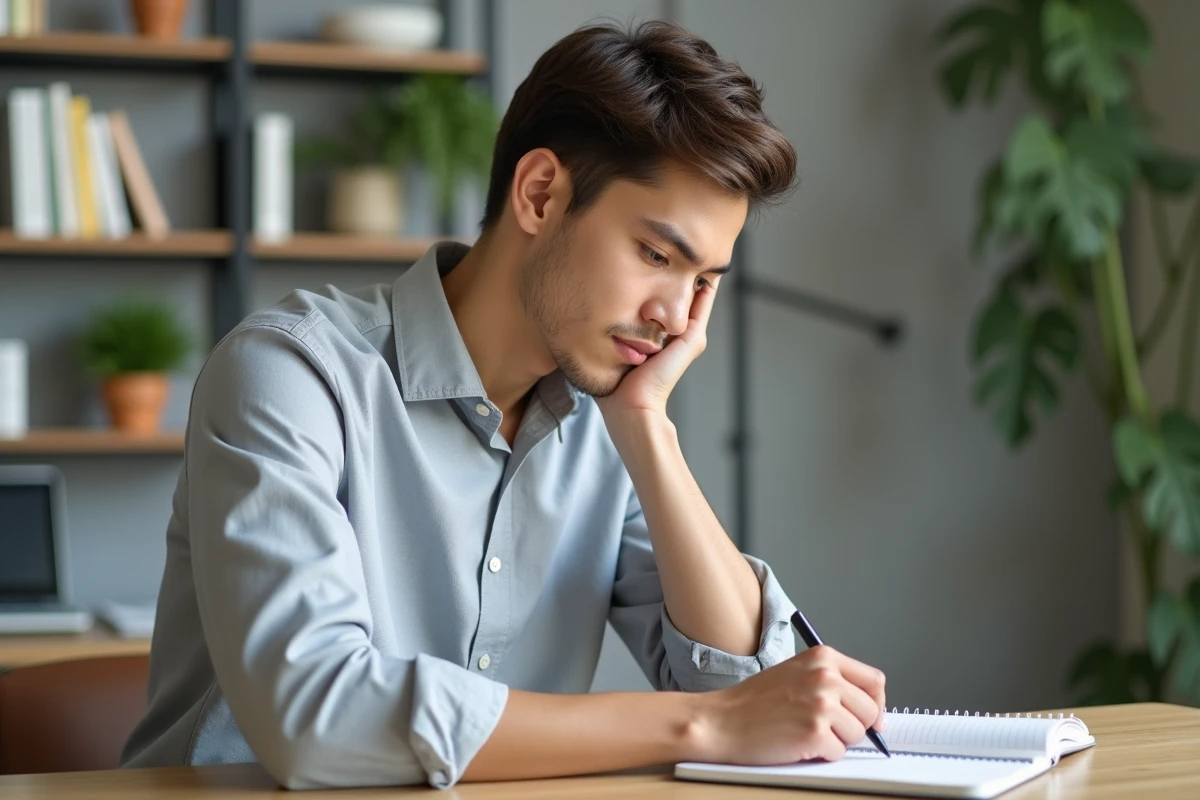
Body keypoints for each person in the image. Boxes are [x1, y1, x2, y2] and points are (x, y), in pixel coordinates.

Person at [120, 20, 887, 789]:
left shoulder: (604, 419)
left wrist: (648, 430)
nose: (673, 314)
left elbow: (753, 697)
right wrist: (707, 726)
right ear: (540, 193)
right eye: (657, 256)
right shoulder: (288, 375)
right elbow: (317, 719)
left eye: (702, 281)